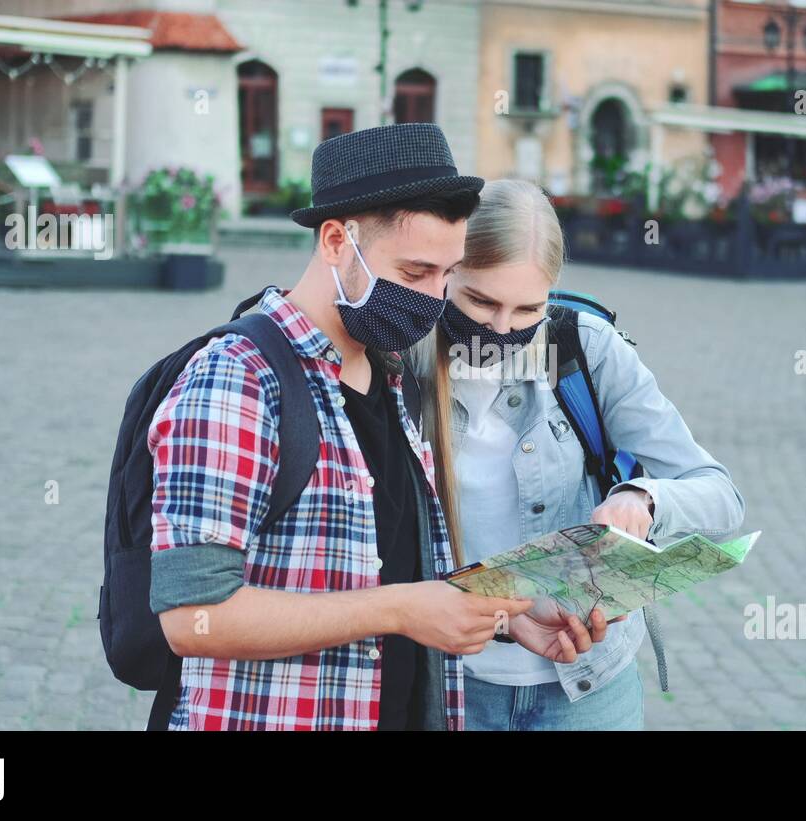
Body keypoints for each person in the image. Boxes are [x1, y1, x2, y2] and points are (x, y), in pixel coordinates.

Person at [146, 123, 537, 730]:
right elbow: (192, 616)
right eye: (413, 273)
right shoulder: (238, 377)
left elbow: (390, 562)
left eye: (446, 273)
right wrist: (399, 611)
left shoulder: (387, 370)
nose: (434, 299)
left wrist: (504, 616)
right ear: (335, 240)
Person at [409, 179, 746, 731]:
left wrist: (644, 499)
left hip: (589, 692)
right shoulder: (401, 358)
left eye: (527, 309)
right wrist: (496, 612)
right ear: (447, 274)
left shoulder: (586, 347)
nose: (499, 328)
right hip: (452, 689)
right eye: (481, 300)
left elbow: (721, 495)